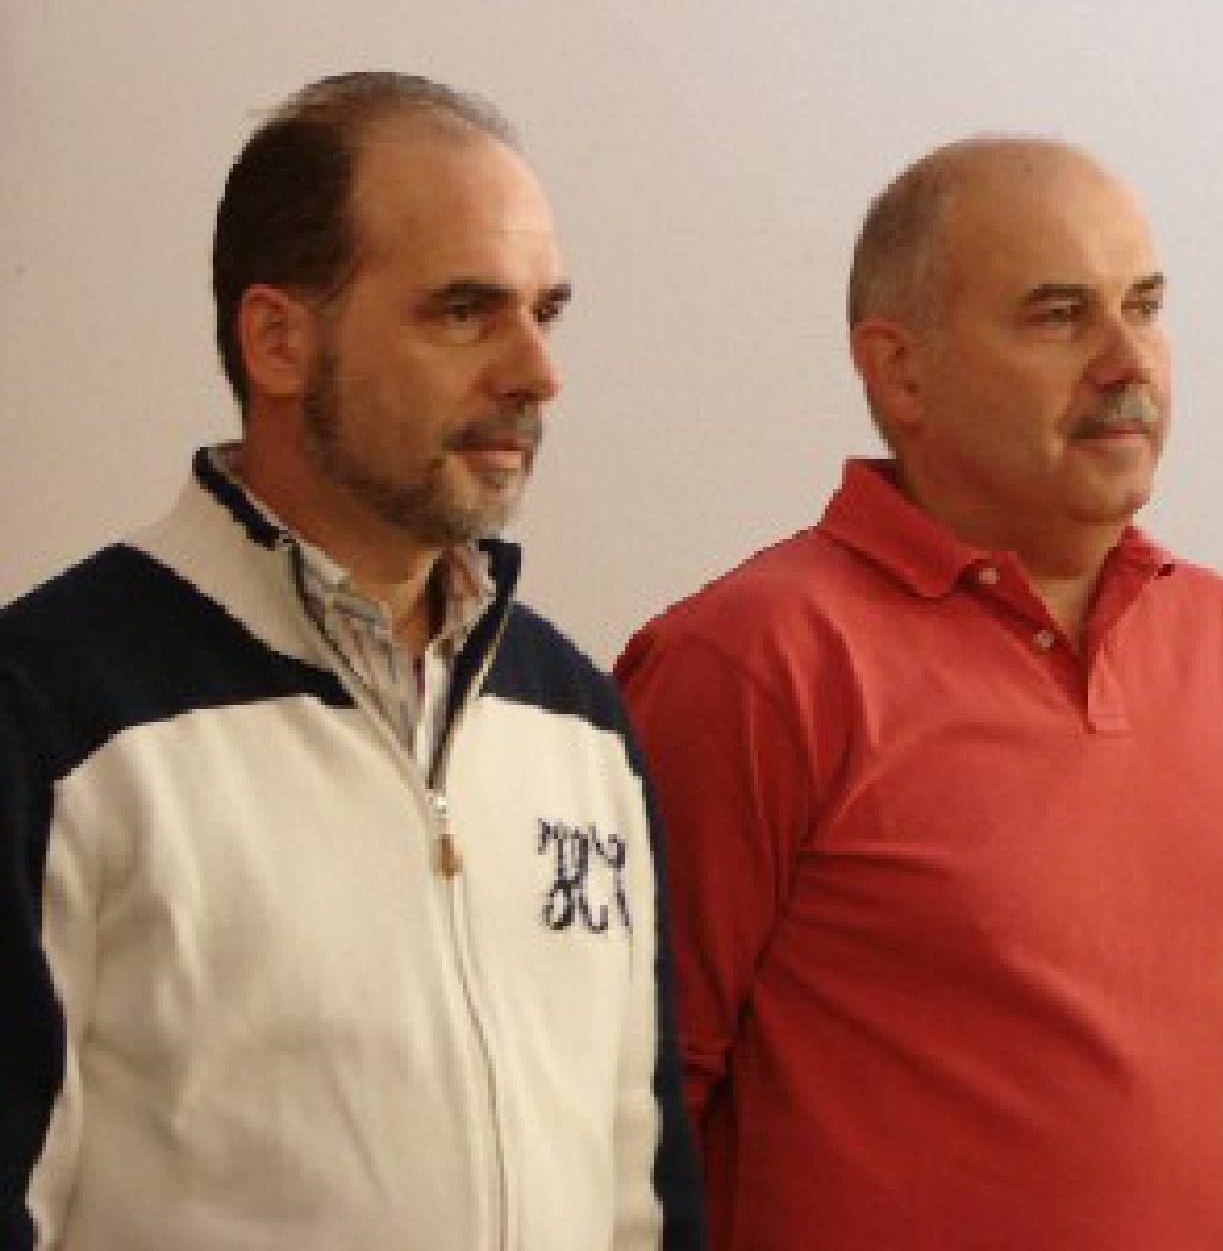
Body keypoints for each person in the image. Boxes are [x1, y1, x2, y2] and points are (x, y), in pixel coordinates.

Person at [0, 73, 703, 1250]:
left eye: (546, 311)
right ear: (278, 340)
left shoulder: (576, 718)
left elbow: (642, 1187)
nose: (536, 372)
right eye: (465, 311)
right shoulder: (51, 712)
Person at [615, 137, 1223, 1250]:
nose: (1126, 361)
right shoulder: (755, 660)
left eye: (1144, 306)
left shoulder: (1222, 638)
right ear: (900, 370)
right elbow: (624, 1121)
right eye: (1058, 316)